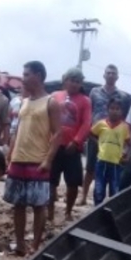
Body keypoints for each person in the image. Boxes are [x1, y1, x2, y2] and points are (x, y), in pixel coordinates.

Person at [4, 61, 61, 256]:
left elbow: (58, 134)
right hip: (18, 159)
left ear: (38, 75)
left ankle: (35, 246)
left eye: (27, 74)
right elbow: (17, 129)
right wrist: (10, 154)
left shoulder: (51, 102)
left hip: (38, 161)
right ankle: (19, 243)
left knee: (38, 206)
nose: (23, 78)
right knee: (18, 204)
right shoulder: (24, 101)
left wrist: (48, 160)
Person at [81, 64, 128, 205]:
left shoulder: (122, 96)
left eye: (114, 73)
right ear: (104, 75)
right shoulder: (94, 92)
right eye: (108, 73)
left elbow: (123, 116)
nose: (111, 75)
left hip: (112, 137)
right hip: (96, 134)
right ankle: (83, 196)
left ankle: (110, 200)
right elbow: (89, 112)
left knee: (112, 169)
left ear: (117, 76)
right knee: (90, 167)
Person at [49, 67, 91, 223]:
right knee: (51, 181)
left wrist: (77, 141)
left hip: (73, 148)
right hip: (54, 145)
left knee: (73, 182)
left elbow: (86, 123)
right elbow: (47, 120)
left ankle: (68, 211)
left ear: (81, 84)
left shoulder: (85, 101)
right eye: (71, 80)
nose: (74, 84)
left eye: (77, 81)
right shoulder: (54, 96)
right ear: (65, 80)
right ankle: (50, 212)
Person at [90, 98, 129, 205]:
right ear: (107, 109)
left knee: (115, 189)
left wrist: (127, 155)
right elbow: (91, 133)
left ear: (121, 112)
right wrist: (99, 143)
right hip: (102, 161)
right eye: (112, 108)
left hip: (116, 163)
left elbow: (129, 143)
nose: (114, 111)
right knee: (99, 189)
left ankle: (112, 209)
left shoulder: (124, 127)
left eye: (117, 109)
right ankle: (97, 209)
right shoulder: (101, 124)